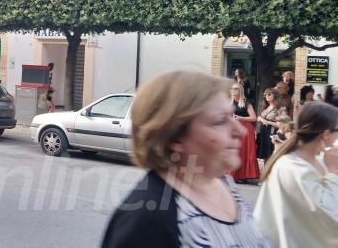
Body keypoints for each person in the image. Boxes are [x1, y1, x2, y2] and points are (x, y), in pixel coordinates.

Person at [101, 71, 270, 247]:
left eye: (231, 116)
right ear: (175, 138)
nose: (240, 131)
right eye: (219, 121)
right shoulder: (146, 221)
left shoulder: (223, 182)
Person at [254, 102, 338, 247]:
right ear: (326, 134)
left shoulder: (317, 162)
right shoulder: (292, 167)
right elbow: (329, 214)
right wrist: (334, 172)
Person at [230, 83, 260, 184]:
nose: (233, 91)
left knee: (244, 152)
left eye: (236, 89)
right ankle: (234, 174)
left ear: (240, 90)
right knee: (235, 151)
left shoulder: (246, 102)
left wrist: (240, 118)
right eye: (232, 89)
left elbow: (254, 118)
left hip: (246, 129)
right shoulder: (230, 102)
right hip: (234, 128)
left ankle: (243, 176)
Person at [257, 88, 285, 161]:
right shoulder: (265, 107)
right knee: (265, 155)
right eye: (265, 94)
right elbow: (259, 118)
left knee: (272, 155)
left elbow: (281, 125)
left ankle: (272, 171)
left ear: (275, 96)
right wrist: (260, 118)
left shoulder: (280, 109)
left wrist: (268, 122)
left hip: (272, 132)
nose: (266, 96)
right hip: (263, 131)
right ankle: (266, 171)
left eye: (269, 94)